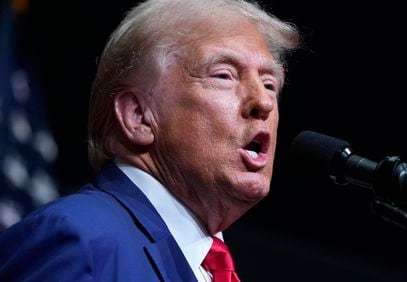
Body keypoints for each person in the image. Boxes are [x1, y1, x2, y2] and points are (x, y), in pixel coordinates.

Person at [0, 0, 300, 281]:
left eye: (269, 83)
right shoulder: (78, 239)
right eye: (224, 75)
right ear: (138, 117)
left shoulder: (205, 265)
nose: (263, 101)